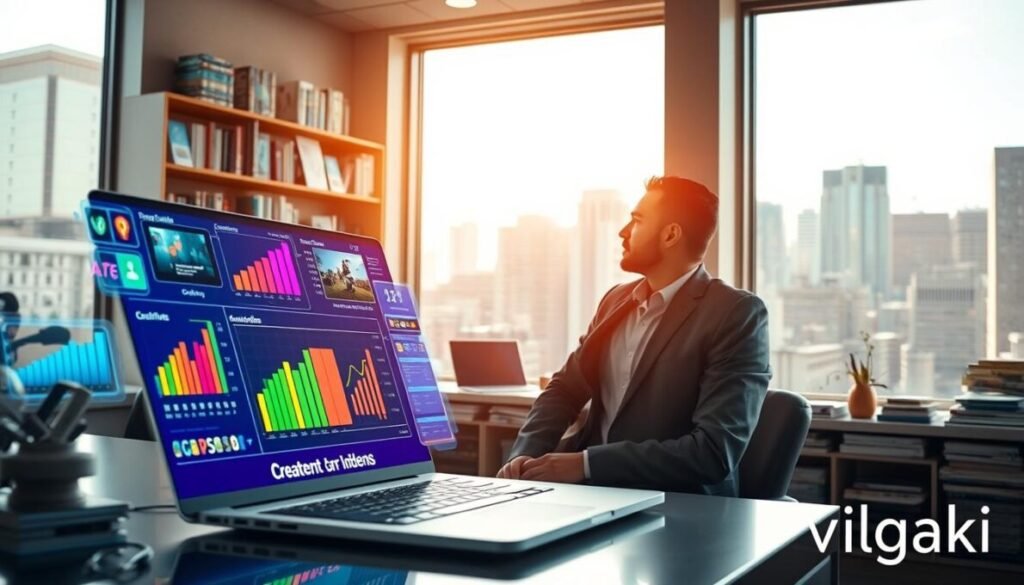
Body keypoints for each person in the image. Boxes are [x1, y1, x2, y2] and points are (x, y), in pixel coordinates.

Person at [497, 176, 771, 496]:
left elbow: (712, 452)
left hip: (678, 504)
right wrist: (524, 456)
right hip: (587, 494)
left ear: (670, 234)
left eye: (637, 220)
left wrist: (585, 464)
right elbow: (564, 390)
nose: (623, 231)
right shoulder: (616, 300)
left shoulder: (736, 313)